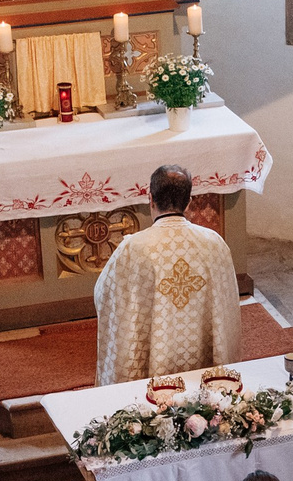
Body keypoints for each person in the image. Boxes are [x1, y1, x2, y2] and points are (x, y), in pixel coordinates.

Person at [91, 164, 243, 386]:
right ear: (189, 202)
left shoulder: (134, 248)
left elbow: (104, 294)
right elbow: (227, 306)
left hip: (155, 360)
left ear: (150, 199)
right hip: (204, 360)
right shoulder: (214, 243)